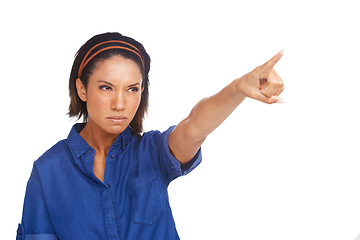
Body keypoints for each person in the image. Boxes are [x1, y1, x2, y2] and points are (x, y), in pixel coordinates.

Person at [16, 32, 284, 240]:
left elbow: (194, 126)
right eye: (106, 87)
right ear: (82, 89)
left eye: (132, 89)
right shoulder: (47, 170)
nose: (120, 103)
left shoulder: (152, 152)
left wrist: (237, 89)